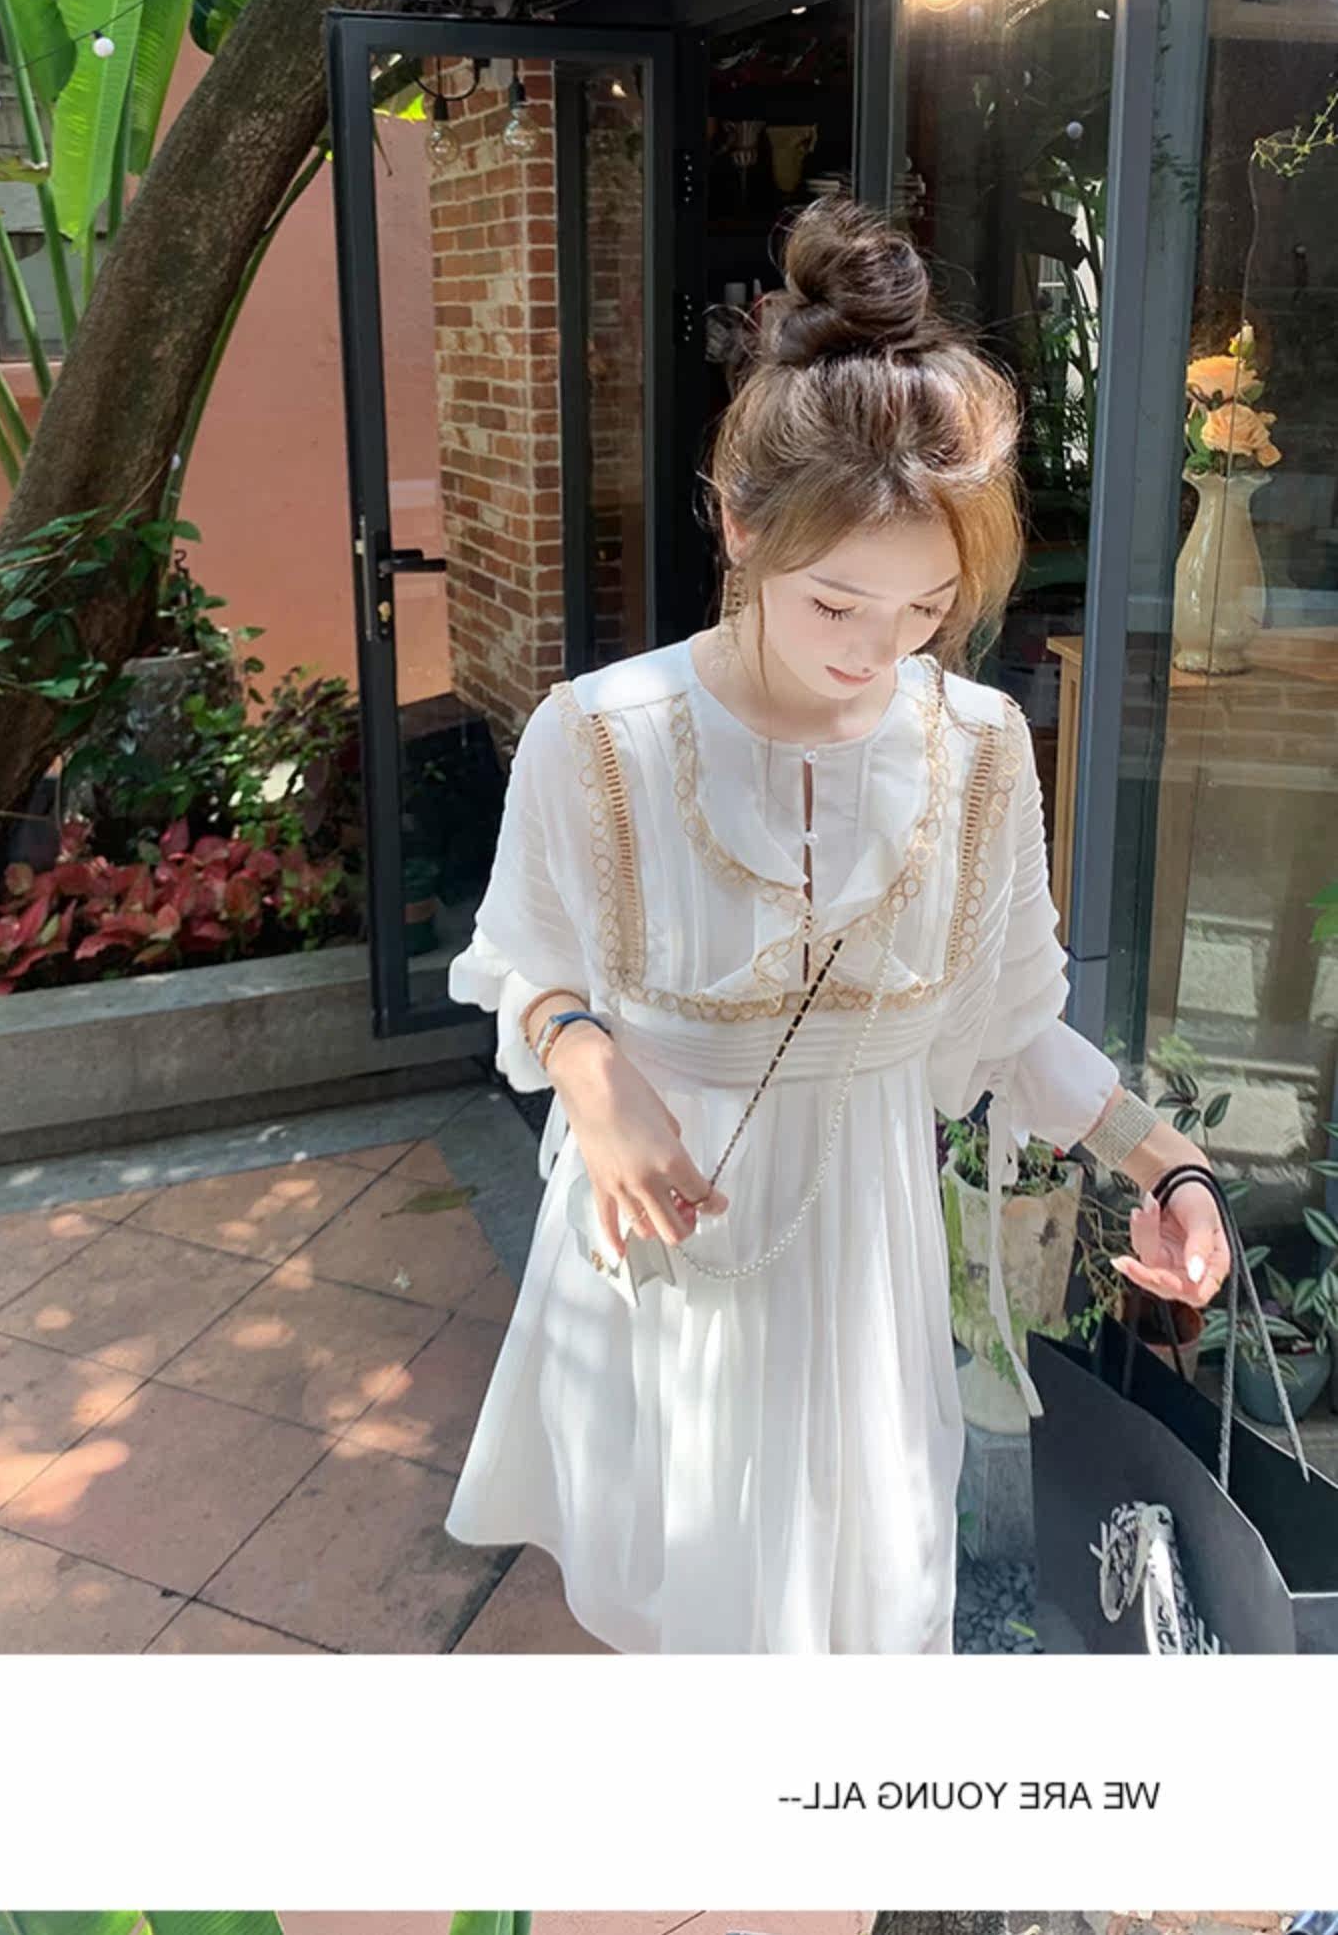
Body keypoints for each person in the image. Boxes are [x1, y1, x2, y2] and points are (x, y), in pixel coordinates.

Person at [443, 196, 1230, 1655]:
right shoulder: (600, 738)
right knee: (696, 1639)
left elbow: (1010, 1027)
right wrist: (588, 1066)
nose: (882, 651)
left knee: (864, 1630)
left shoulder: (977, 749)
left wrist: (1165, 1162)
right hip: (668, 1263)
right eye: (837, 604)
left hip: (868, 1278)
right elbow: (523, 964)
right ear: (741, 524)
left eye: (926, 608)